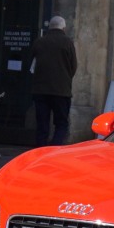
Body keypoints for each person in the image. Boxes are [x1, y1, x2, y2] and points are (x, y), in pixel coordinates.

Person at [29, 15, 78, 147]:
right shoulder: (68, 42)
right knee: (61, 124)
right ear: (63, 28)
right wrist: (65, 79)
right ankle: (53, 148)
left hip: (40, 90)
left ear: (50, 27)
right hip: (61, 91)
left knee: (42, 124)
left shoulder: (39, 42)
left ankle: (40, 149)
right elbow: (73, 66)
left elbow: (32, 64)